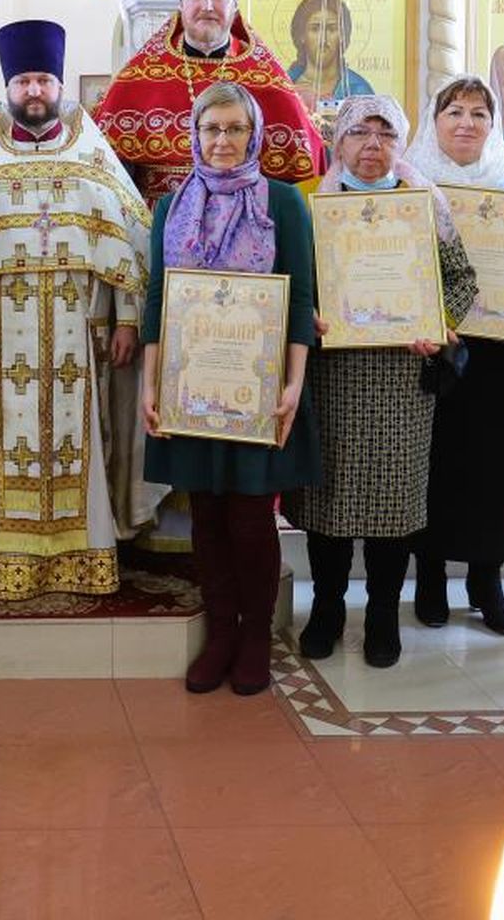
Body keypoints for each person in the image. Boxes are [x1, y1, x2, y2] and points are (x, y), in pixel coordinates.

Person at [0, 20, 150, 601]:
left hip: (79, 332)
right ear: (8, 88)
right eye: (24, 81)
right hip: (0, 332)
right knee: (5, 432)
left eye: (45, 80)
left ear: (60, 86)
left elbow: (130, 241)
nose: (35, 92)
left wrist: (129, 318)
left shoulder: (93, 156)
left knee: (81, 432)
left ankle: (83, 552)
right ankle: (0, 551)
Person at [139, 83, 320, 694]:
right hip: (192, 387)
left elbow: (299, 298)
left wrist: (294, 384)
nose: (222, 141)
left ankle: (254, 639)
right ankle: (219, 633)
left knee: (249, 518)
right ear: (195, 133)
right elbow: (159, 299)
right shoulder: (171, 207)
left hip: (258, 389)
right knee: (206, 518)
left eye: (234, 129)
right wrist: (150, 381)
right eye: (211, 128)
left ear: (255, 134)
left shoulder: (283, 202)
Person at [288, 94, 478, 669]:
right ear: (338, 142)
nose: (372, 145)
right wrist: (307, 316)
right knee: (329, 503)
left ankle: (381, 616)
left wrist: (436, 324)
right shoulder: (309, 207)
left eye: (385, 133)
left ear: (401, 143)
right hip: (329, 374)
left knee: (393, 505)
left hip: (401, 377)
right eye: (358, 133)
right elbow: (287, 282)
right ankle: (325, 608)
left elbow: (462, 281)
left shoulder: (423, 204)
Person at [402, 77, 504, 637]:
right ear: (433, 120)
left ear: (494, 124)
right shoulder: (410, 181)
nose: (466, 122)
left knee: (499, 464)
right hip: (433, 345)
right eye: (453, 111)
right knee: (433, 461)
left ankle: (487, 582)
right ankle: (432, 574)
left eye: (478, 112)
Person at [95, 0, 324, 207]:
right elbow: (109, 172)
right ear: (181, 5)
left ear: (234, 6)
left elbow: (303, 167)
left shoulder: (268, 81)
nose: (207, 6)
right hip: (162, 219)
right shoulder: (138, 78)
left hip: (247, 223)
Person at [284, 0, 375, 112]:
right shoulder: (285, 85)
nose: (323, 39)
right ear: (302, 35)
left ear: (342, 36)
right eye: (315, 29)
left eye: (332, 29)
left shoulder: (359, 90)